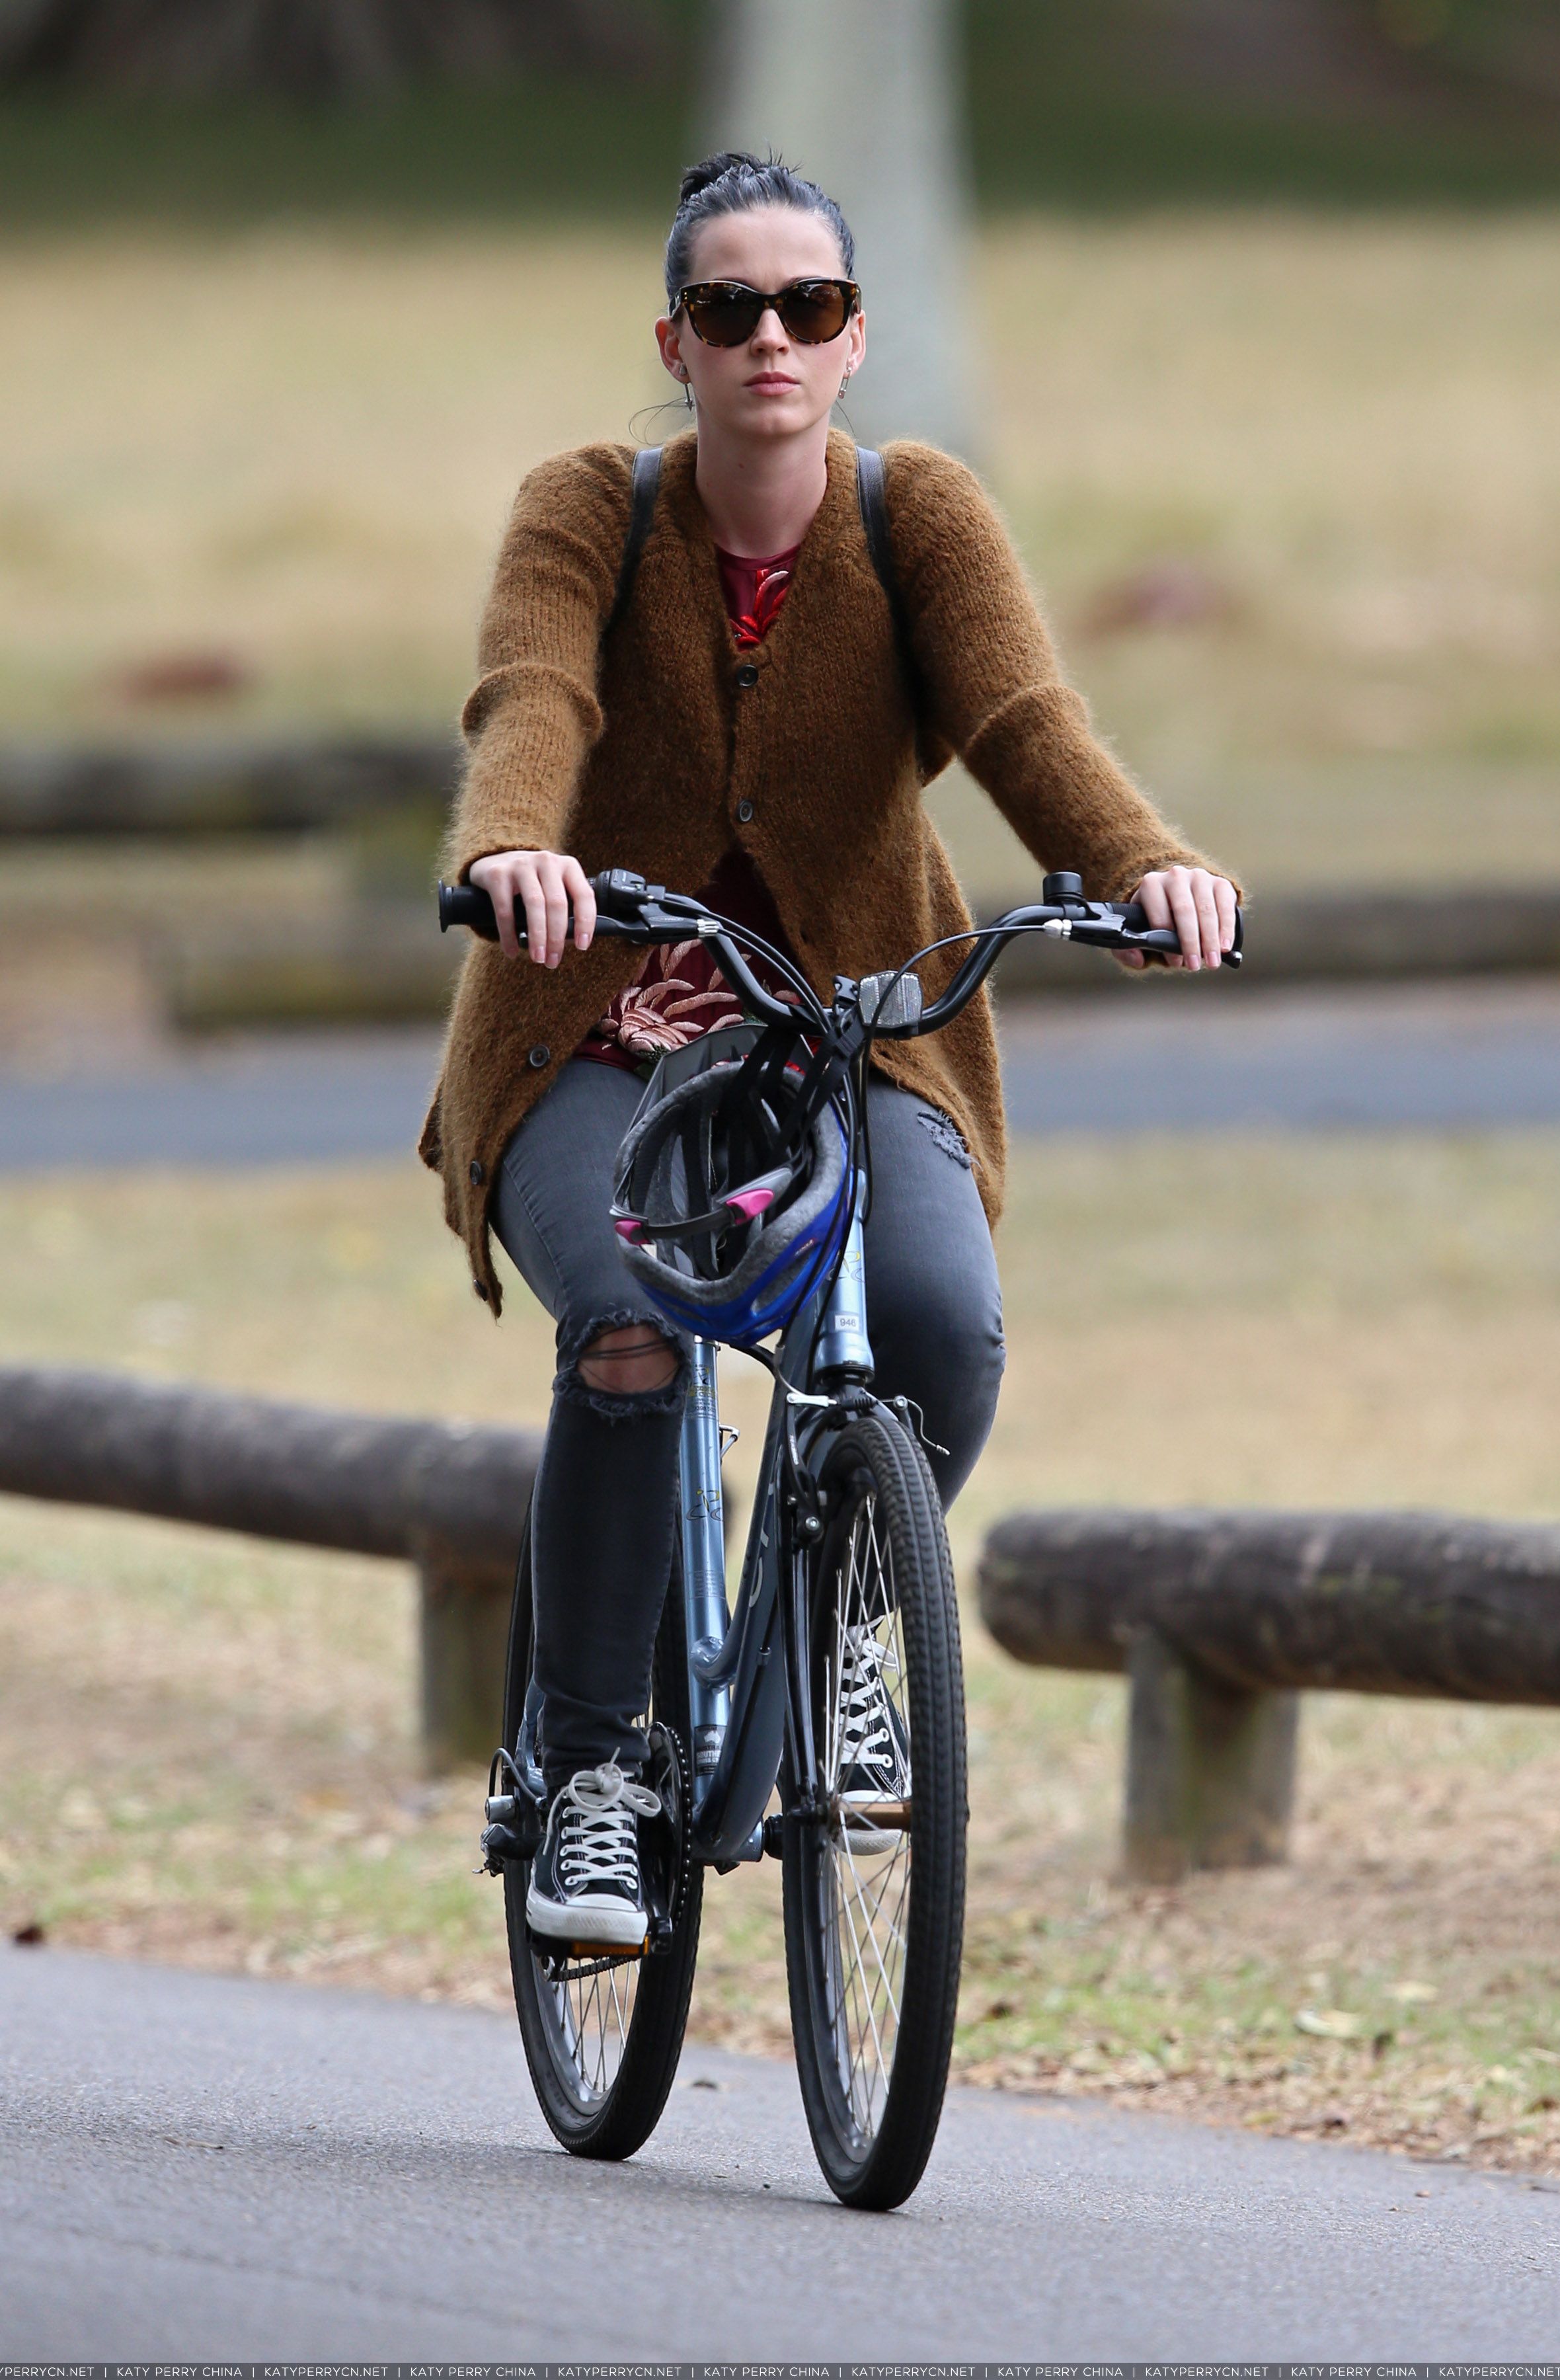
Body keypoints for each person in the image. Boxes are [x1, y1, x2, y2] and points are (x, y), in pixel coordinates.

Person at [421, 151, 1240, 1946]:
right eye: (731, 310)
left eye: (813, 306)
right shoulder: (590, 509)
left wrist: (1154, 874)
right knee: (633, 1331)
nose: (772, 339)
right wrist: (512, 855)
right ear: (678, 340)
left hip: (852, 1029)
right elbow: (532, 697)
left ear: (857, 340)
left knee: (937, 1323)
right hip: (597, 1033)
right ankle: (594, 1777)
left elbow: (1030, 724)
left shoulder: (916, 517)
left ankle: (836, 1632)